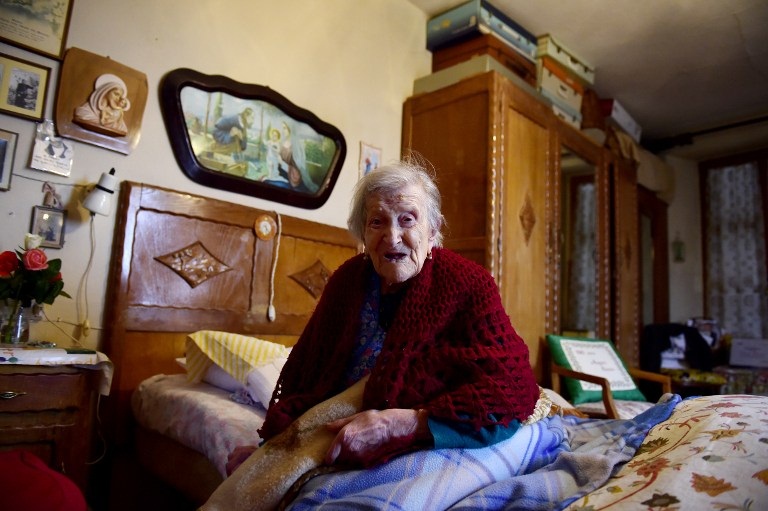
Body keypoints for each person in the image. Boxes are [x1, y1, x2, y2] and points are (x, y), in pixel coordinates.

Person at [227, 158, 539, 473]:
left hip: (426, 432)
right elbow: (308, 378)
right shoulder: (347, 282)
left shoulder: (468, 283)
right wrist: (267, 451)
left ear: (432, 230)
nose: (391, 237)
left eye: (407, 220)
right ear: (362, 232)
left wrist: (401, 423)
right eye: (377, 222)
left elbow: (512, 388)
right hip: (334, 428)